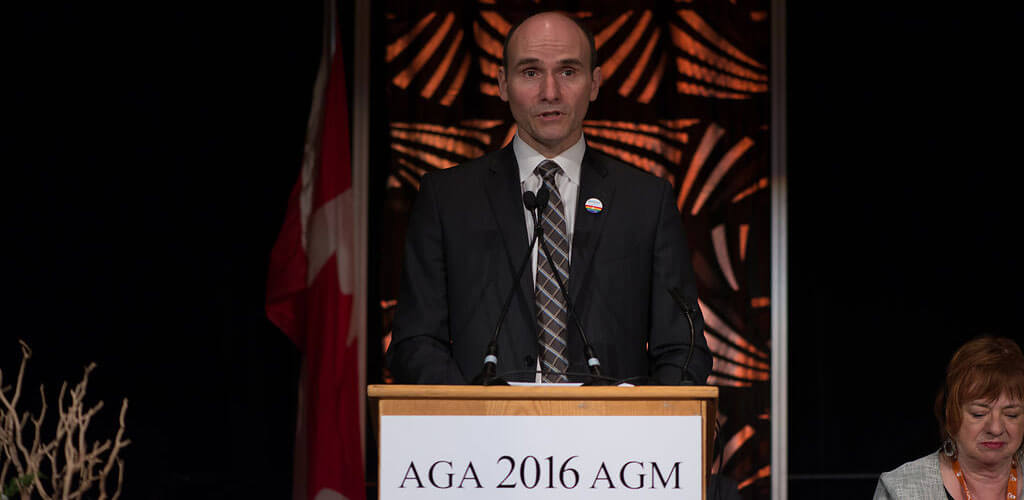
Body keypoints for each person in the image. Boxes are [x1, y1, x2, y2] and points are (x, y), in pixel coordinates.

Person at [386, 11, 712, 385]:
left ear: (595, 82)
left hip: (614, 438)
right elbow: (415, 343)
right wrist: (472, 418)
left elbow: (683, 348)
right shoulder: (447, 200)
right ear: (502, 83)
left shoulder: (646, 202)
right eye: (530, 72)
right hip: (483, 436)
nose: (550, 92)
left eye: (568, 72)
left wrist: (643, 423)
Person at [874, 336, 1024, 499]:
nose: (996, 428)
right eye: (978, 414)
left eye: (1011, 415)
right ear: (950, 413)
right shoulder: (901, 489)